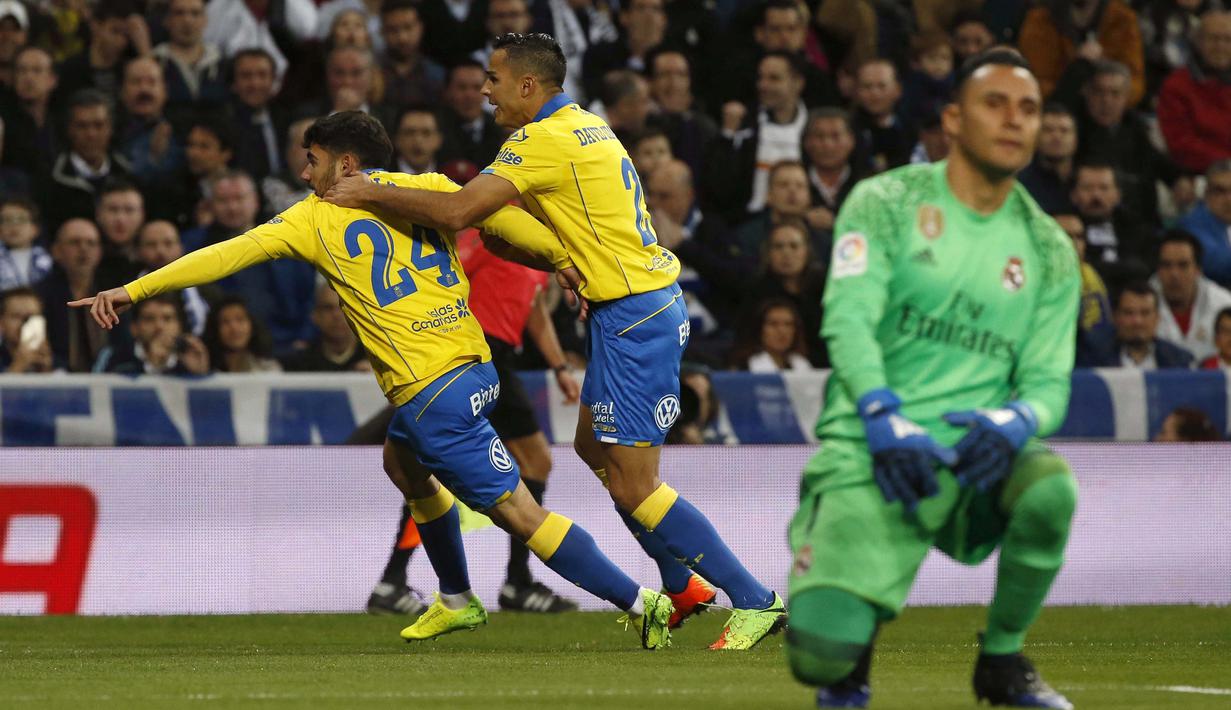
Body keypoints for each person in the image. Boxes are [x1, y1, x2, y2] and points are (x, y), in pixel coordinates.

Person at [72, 110, 676, 649]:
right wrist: (564, 260)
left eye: (312, 161)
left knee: (520, 514)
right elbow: (506, 220)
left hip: (432, 387)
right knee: (402, 461)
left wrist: (133, 289)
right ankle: (457, 598)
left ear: (347, 163)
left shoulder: (313, 218)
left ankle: (639, 602)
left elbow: (225, 254)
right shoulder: (431, 189)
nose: (306, 174)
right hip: (474, 367)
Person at [323, 32, 786, 649]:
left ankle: (756, 600)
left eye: (492, 78)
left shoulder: (540, 140)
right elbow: (503, 232)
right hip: (629, 309)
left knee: (635, 483)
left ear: (526, 85)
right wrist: (563, 261)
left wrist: (369, 190)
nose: (484, 91)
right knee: (594, 449)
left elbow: (460, 212)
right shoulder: (585, 126)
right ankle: (682, 587)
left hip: (634, 319)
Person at [787, 49, 1080, 709]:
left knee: (1049, 492)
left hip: (975, 458)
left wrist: (1017, 421)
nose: (1014, 121)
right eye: (994, 103)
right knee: (816, 655)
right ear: (952, 118)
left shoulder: (1048, 248)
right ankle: (850, 651)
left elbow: (1048, 383)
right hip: (874, 446)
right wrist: (879, 412)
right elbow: (848, 319)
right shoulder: (885, 201)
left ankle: (1001, 661)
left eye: (1028, 109)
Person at [363, 227, 584, 615]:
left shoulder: (532, 235)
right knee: (528, 461)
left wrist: (560, 365)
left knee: (435, 467)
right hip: (476, 352)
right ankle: (516, 583)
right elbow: (445, 271)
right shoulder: (496, 225)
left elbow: (531, 309)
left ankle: (394, 581)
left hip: (494, 355)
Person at [1150, 229, 1231, 361]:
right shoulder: (1138, 308)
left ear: (1198, 270)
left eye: (1183, 265)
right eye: (1166, 265)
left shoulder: (1224, 303)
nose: (1174, 274)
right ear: (1158, 269)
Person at [1078, 281, 1196, 368]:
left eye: (1145, 313)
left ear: (1157, 318)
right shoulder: (1092, 358)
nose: (1137, 321)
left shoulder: (1180, 361)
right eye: (1129, 313)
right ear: (1115, 317)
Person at [728, 297, 813, 372]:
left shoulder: (802, 364)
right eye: (773, 324)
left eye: (788, 324)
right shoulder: (742, 366)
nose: (782, 331)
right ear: (759, 328)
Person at [201, 294, 281, 372]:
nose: (234, 328)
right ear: (215, 329)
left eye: (240, 319)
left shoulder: (268, 369)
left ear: (252, 325)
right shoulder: (204, 368)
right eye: (225, 322)